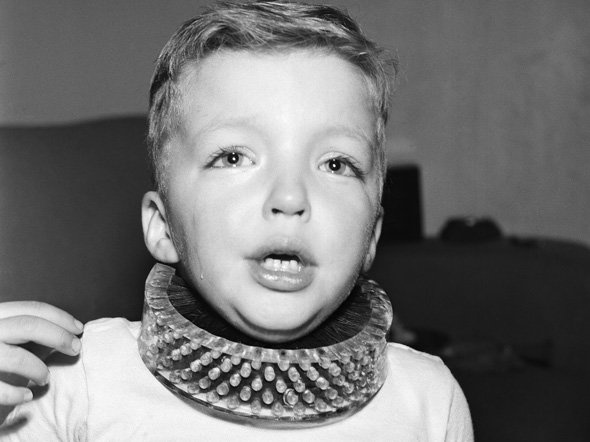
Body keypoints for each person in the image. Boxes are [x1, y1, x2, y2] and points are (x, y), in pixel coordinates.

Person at [0, 1, 473, 440]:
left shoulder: (429, 401)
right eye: (233, 157)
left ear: (372, 236)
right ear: (163, 227)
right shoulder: (70, 383)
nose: (289, 198)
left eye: (335, 164)